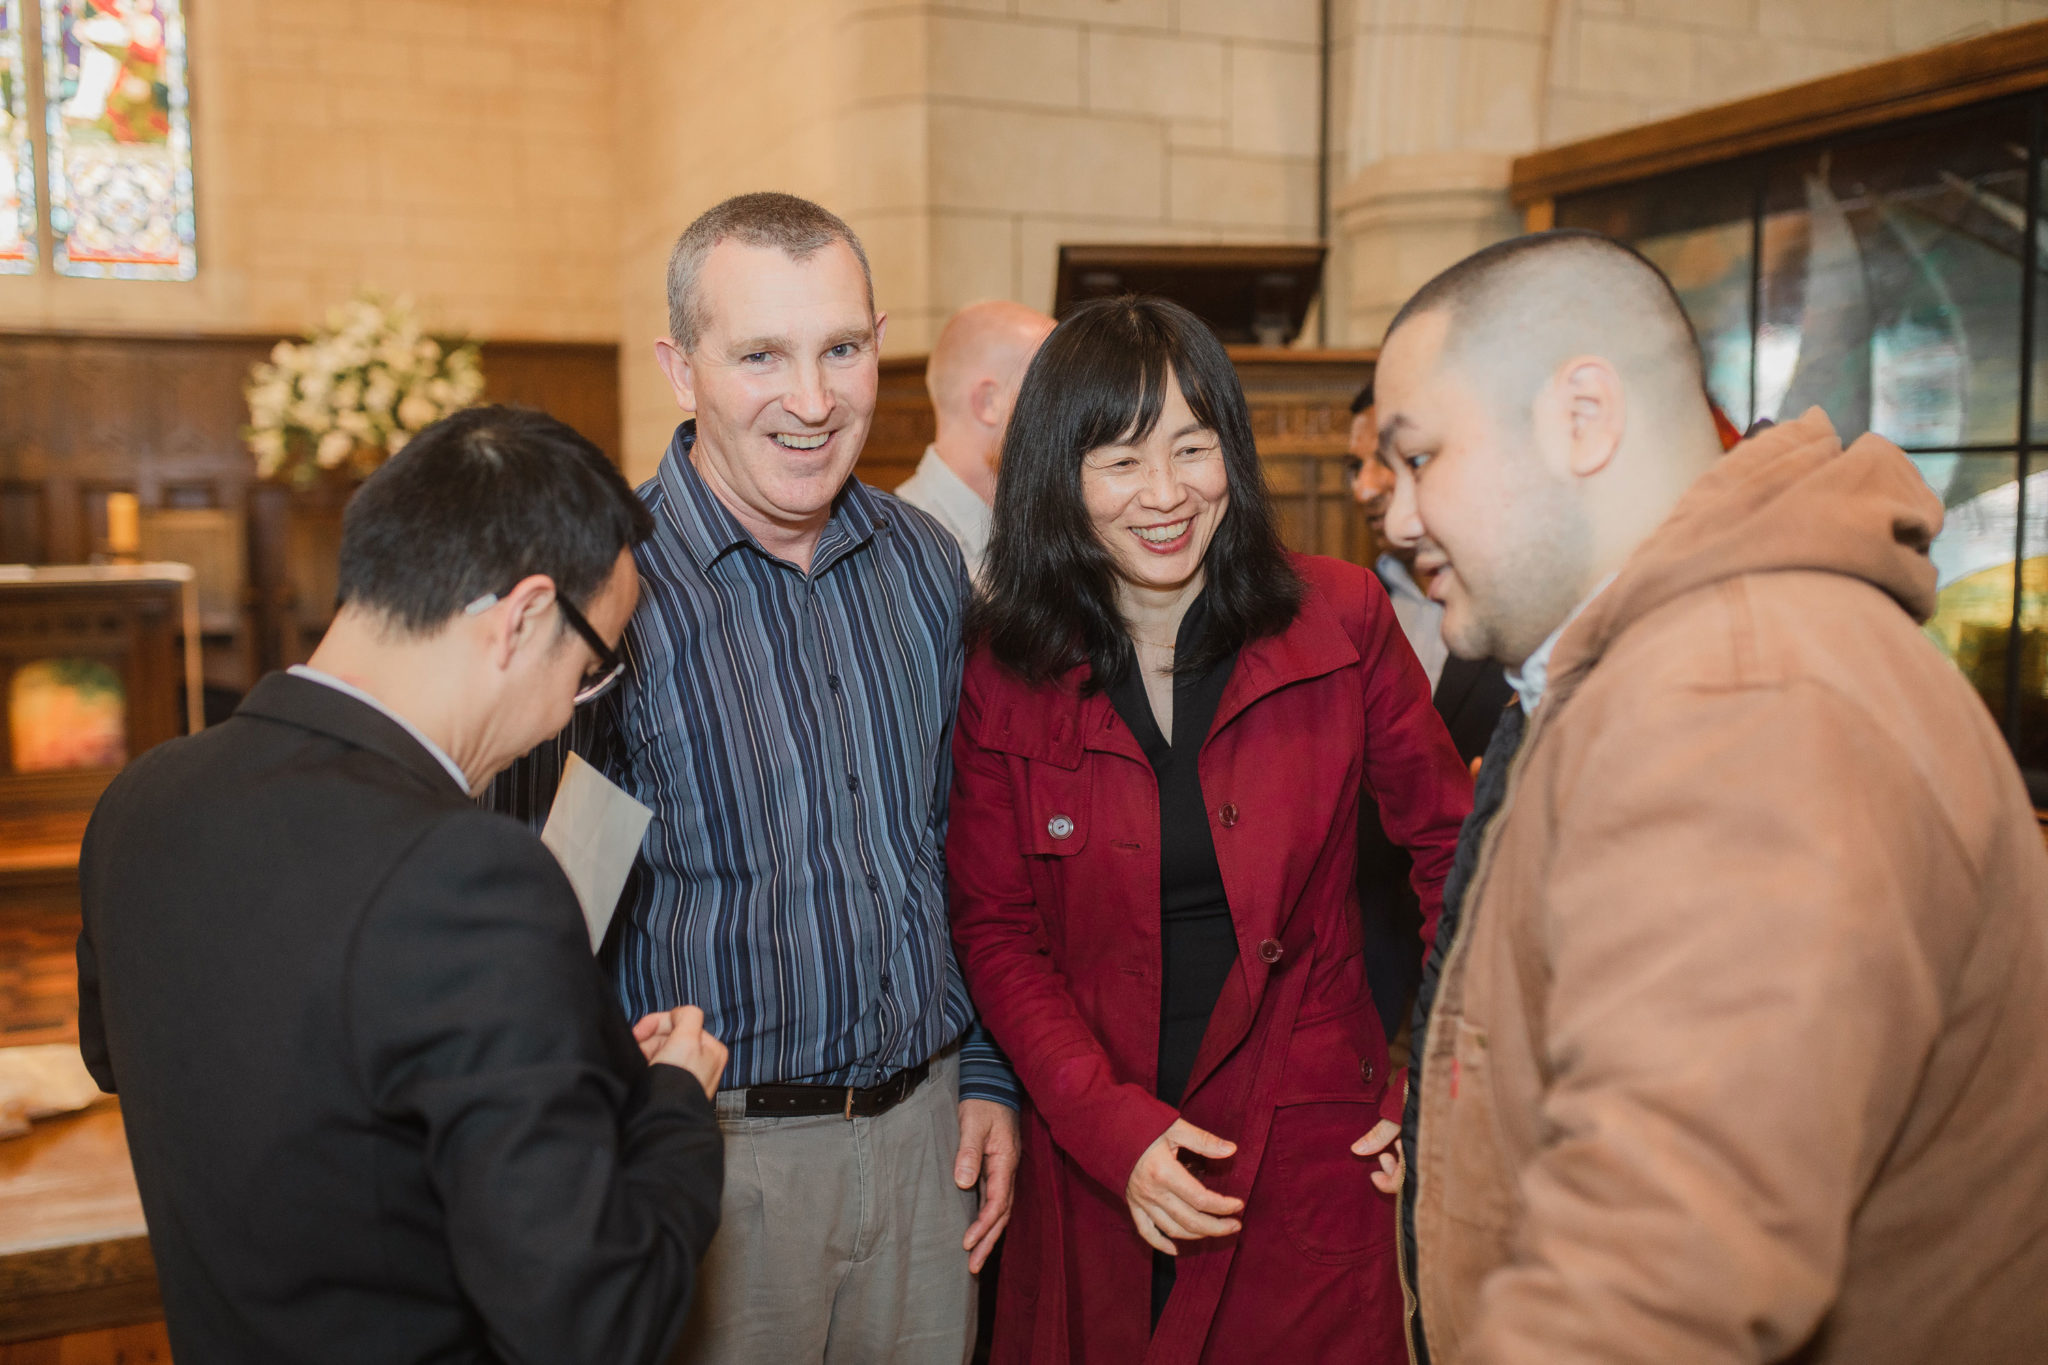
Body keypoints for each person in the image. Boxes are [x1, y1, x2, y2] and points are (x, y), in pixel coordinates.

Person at [1372, 229, 2048, 1364]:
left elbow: (1653, 1285)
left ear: (1580, 416)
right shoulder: (1660, 663)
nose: (1392, 518)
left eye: (1419, 457)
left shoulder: (1738, 698)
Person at [75, 406, 729, 1365]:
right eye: (588, 673)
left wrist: (547, 1058)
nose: (567, 715)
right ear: (523, 619)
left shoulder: (141, 799)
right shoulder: (470, 875)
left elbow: (141, 1058)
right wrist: (672, 1103)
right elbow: (598, 1323)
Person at [489, 192, 1017, 1365]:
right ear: (682, 369)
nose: (813, 400)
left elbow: (965, 843)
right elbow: (531, 907)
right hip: (719, 1162)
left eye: (840, 348)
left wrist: (986, 1073)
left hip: (930, 1145)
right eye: (760, 356)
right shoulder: (605, 585)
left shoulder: (925, 563)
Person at [947, 295, 1472, 1363]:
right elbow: (995, 931)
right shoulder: (1005, 671)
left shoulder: (1337, 620)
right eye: (1121, 460)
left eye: (1192, 448)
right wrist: (1108, 1128)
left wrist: (1449, 1090)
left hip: (1308, 1146)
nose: (1166, 494)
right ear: (1059, 479)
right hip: (1094, 1162)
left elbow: (1454, 856)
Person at [1347, 383, 1518, 1044]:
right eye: (1353, 466)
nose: (1366, 490)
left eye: (1398, 460)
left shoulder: (1522, 610)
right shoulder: (1360, 600)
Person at [1346, 382, 1513, 764]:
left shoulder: (1520, 601)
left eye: (1389, 460)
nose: (1363, 490)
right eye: (1355, 467)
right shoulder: (1354, 608)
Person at [896, 299, 1056, 578]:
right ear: (988, 402)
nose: (1070, 416)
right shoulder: (899, 550)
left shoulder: (1039, 528)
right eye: (1052, 393)